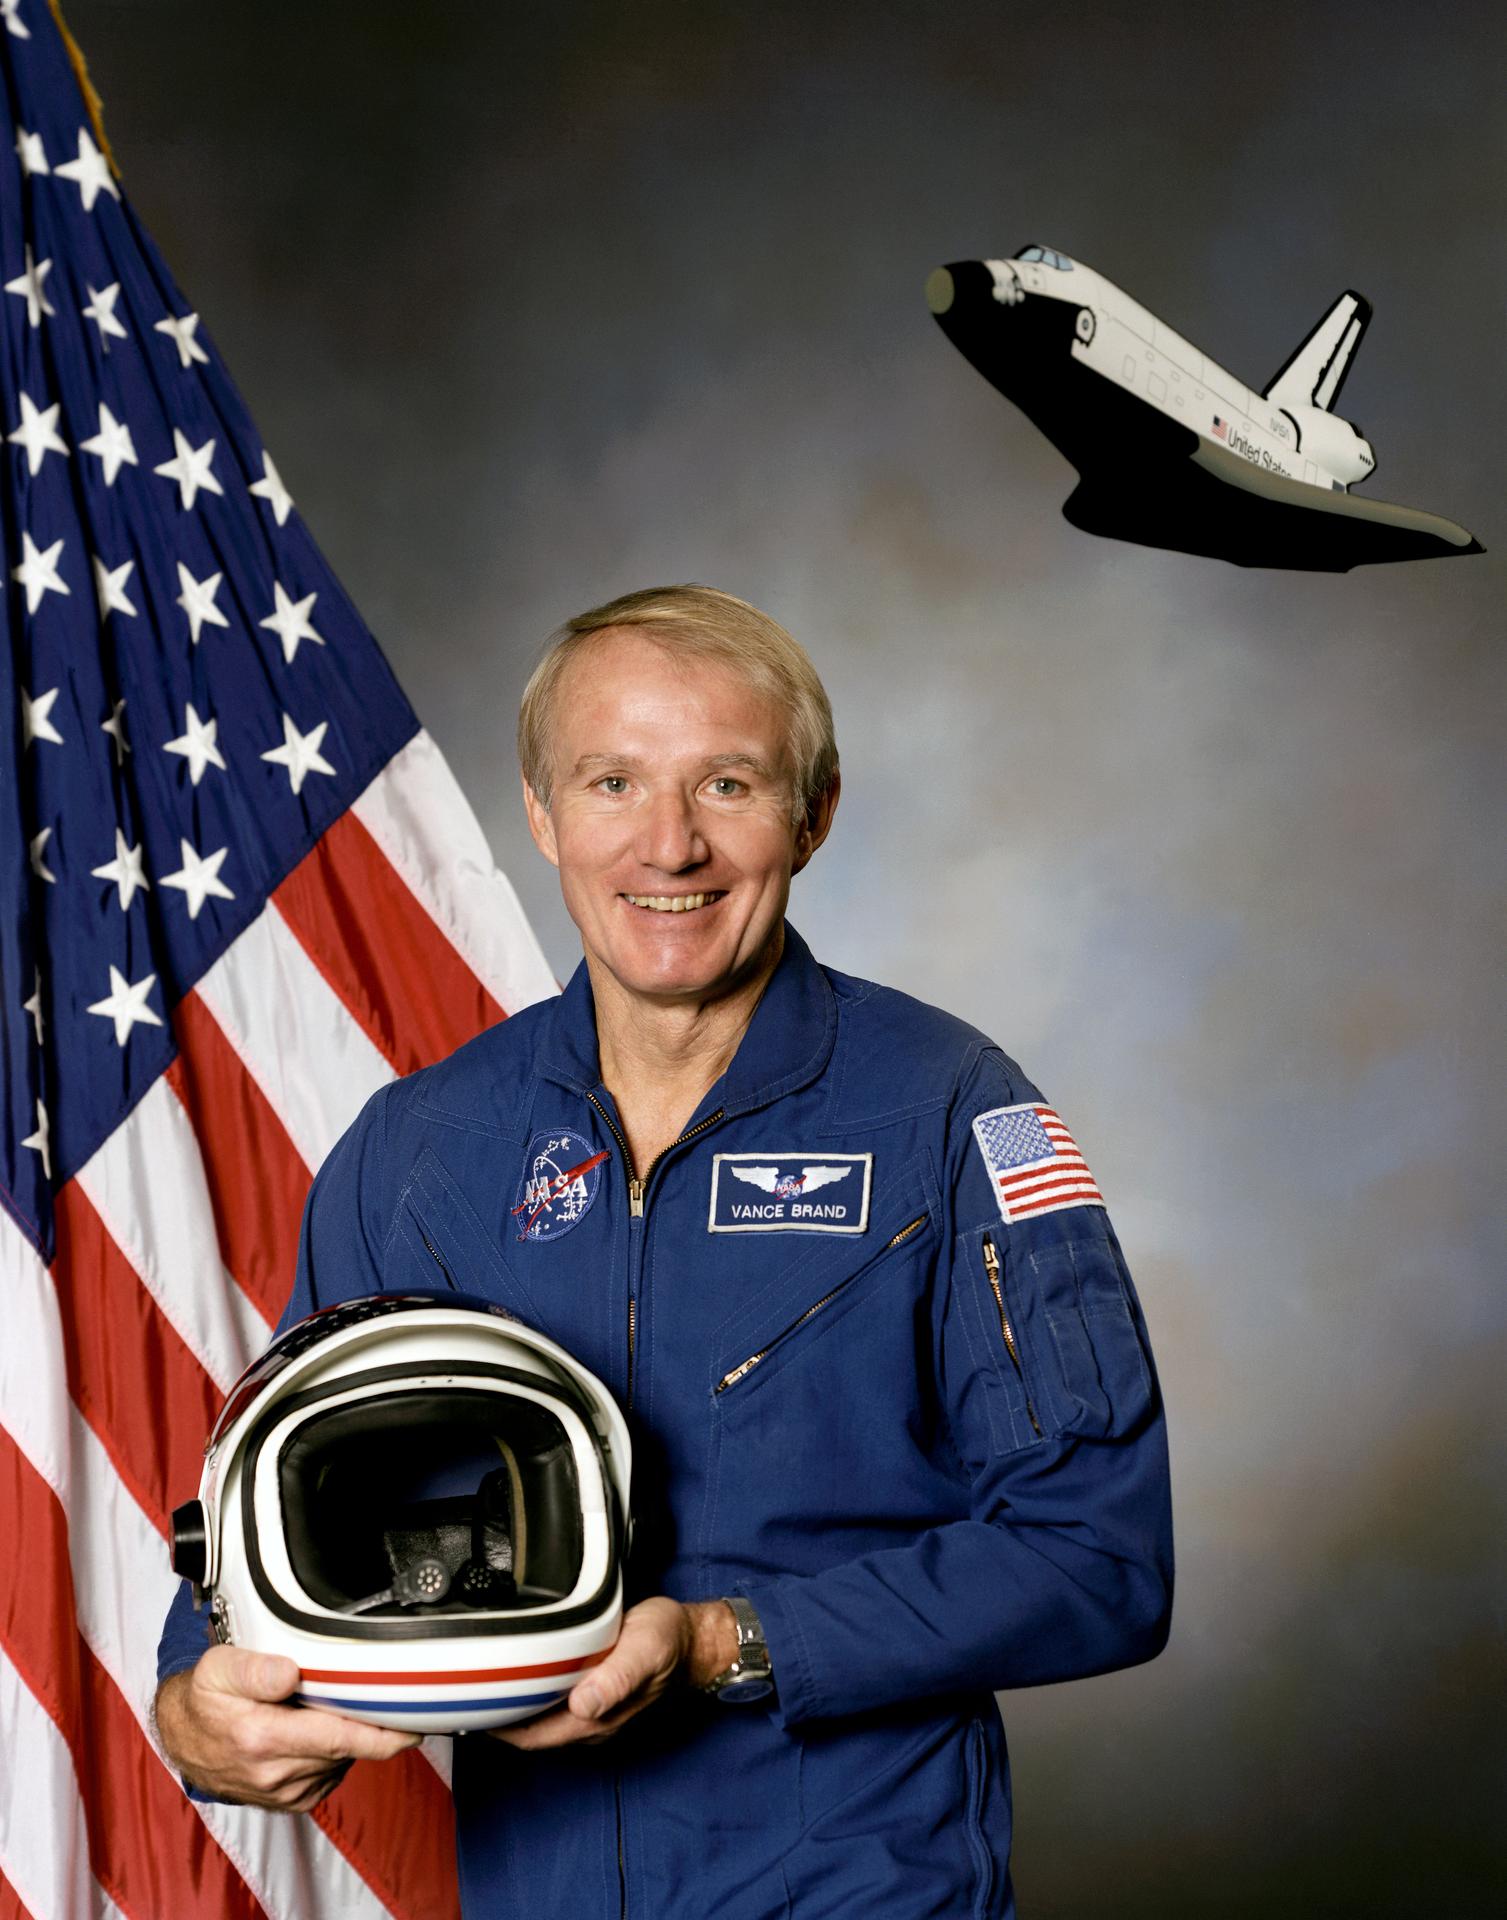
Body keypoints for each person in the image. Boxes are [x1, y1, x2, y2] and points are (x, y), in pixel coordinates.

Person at [156, 584, 1173, 1916]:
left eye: (730, 784)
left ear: (813, 815)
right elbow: (275, 1507)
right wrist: (201, 1713)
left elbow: (1098, 1558)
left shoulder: (949, 1111)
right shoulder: (418, 1151)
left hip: (861, 1886)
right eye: (614, 781)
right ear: (541, 813)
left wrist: (724, 1646)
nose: (669, 845)